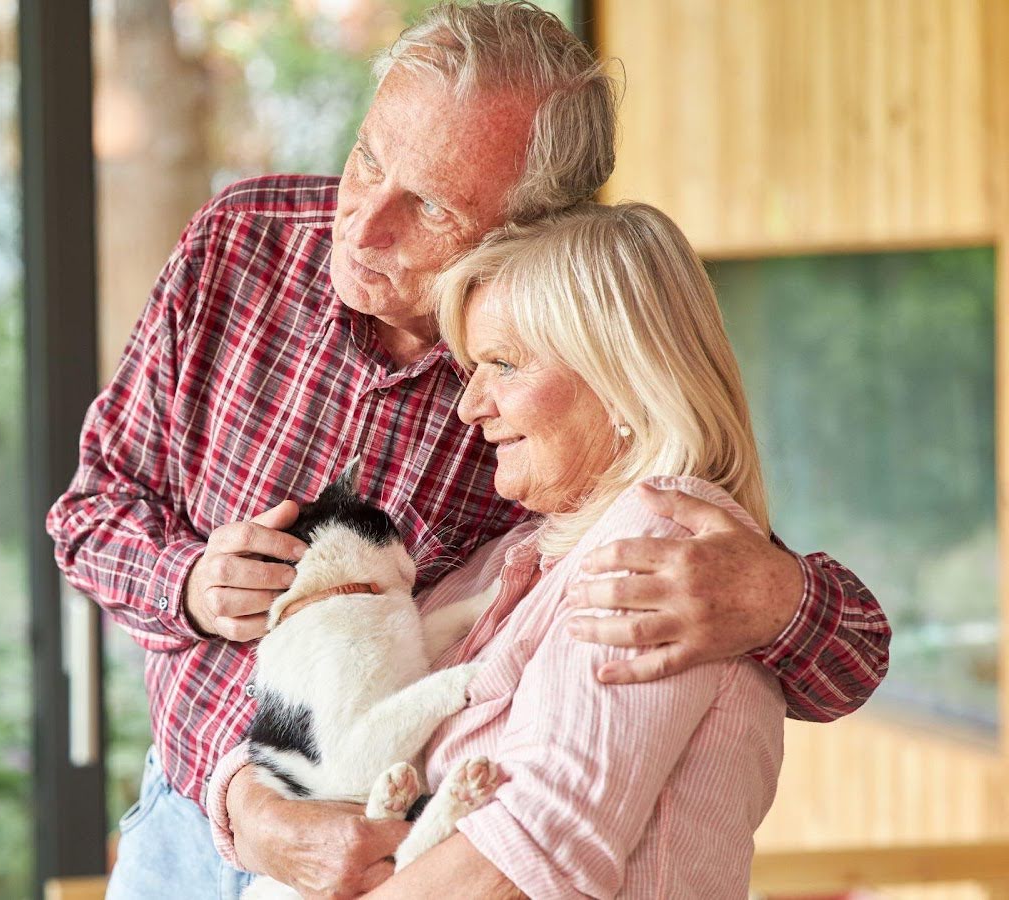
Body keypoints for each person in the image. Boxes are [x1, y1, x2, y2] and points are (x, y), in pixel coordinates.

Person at [46, 3, 890, 897]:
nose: (365, 226)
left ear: (533, 226)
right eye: (368, 158)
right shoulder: (242, 243)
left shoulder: (558, 376)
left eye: (431, 205)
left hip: (399, 852)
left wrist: (773, 594)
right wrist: (189, 593)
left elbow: (794, 633)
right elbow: (88, 514)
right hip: (188, 819)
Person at [214, 201, 794, 898]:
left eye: (505, 365)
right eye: (471, 369)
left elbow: (522, 859)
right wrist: (252, 811)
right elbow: (322, 735)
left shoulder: (666, 551)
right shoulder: (510, 558)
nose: (469, 407)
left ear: (621, 377)